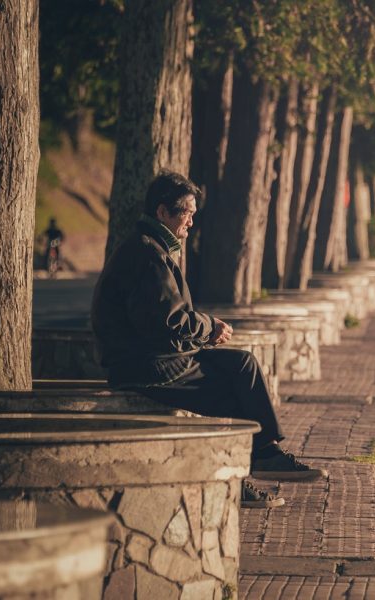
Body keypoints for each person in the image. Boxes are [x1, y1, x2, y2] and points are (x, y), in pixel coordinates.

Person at [91, 171, 326, 508]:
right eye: (186, 213)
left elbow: (165, 317)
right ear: (162, 212)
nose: (190, 221)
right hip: (147, 367)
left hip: (159, 357)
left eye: (192, 214)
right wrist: (208, 327)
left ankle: (265, 452)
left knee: (241, 363)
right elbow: (168, 320)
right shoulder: (147, 255)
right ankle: (243, 477)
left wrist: (204, 330)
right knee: (230, 395)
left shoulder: (153, 248)